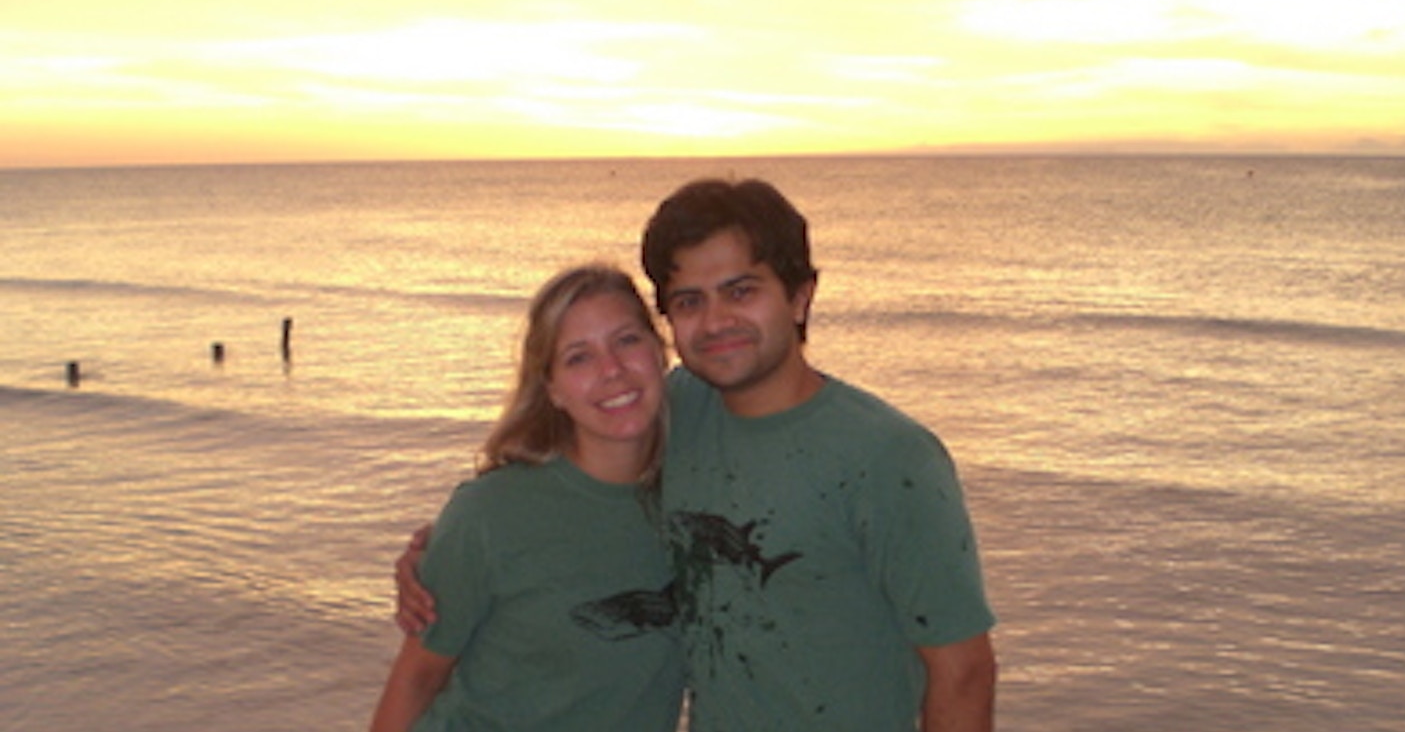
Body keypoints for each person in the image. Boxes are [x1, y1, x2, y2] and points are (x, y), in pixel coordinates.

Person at [398, 179, 997, 731]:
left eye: (741, 291)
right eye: (689, 301)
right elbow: (568, 496)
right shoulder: (676, 408)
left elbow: (963, 671)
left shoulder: (890, 457)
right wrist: (444, 553)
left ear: (799, 296)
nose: (716, 321)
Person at [371, 264, 684, 732]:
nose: (612, 370)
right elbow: (417, 679)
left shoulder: (701, 491)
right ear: (552, 389)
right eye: (579, 357)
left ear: (660, 353)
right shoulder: (490, 513)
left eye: (627, 340)